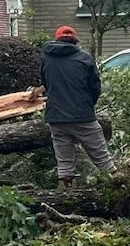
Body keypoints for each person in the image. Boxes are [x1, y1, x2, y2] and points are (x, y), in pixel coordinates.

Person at [40, 25, 115, 187]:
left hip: (56, 118)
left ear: (57, 39)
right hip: (83, 117)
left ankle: (67, 199)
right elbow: (95, 88)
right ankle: (121, 189)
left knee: (65, 165)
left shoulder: (47, 58)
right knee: (103, 160)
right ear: (75, 41)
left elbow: (45, 83)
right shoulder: (85, 58)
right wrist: (88, 106)